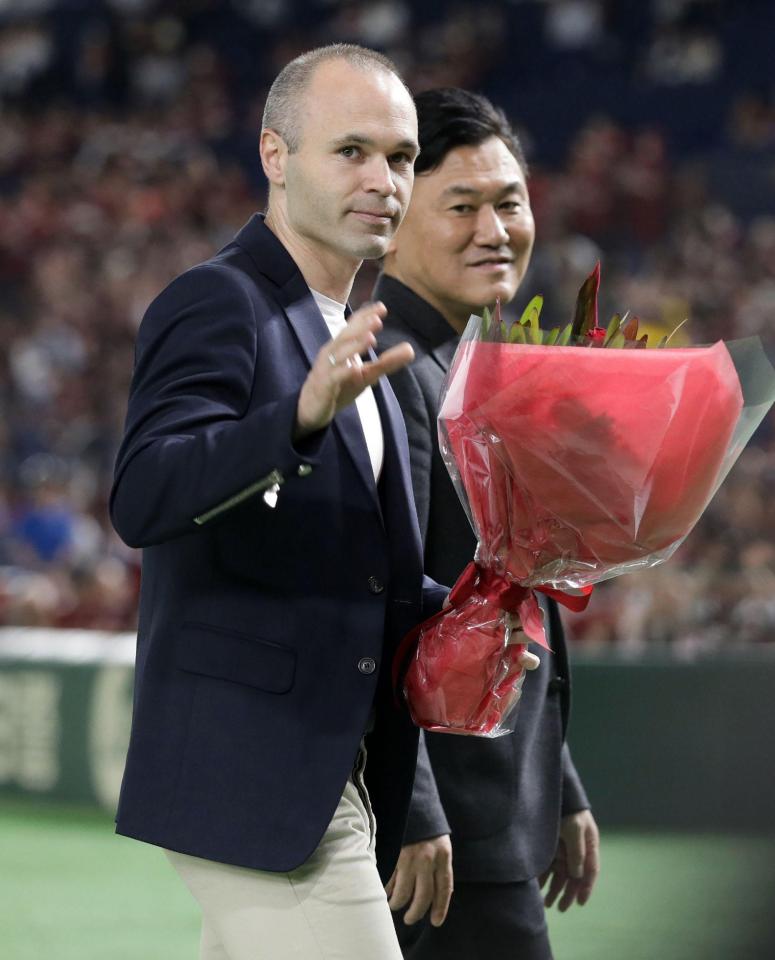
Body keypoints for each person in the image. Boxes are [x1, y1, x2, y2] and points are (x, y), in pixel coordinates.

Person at [109, 47, 530, 960]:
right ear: (274, 155)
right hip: (255, 770)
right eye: (351, 152)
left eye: (401, 158)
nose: (383, 180)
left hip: (323, 769)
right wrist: (293, 420)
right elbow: (144, 494)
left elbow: (359, 576)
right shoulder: (217, 300)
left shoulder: (351, 341)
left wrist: (479, 612)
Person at [377, 87, 600, 960]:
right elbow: (380, 611)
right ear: (391, 223)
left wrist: (559, 783)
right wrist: (417, 804)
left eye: (508, 202)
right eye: (460, 206)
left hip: (494, 810)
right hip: (441, 840)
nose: (493, 228)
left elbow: (502, 598)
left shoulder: (471, 367)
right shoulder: (388, 372)